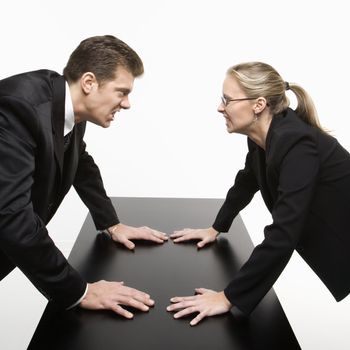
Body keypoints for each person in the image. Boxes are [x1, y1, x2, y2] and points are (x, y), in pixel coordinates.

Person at [167, 61, 350, 325]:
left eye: (227, 100)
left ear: (258, 105)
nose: (220, 107)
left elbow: (285, 232)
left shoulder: (296, 143)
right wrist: (216, 227)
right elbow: (247, 180)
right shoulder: (265, 136)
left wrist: (228, 297)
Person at [0, 35, 168, 319]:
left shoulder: (65, 105)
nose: (127, 104)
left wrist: (111, 223)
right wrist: (80, 291)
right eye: (122, 91)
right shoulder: (18, 108)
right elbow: (11, 215)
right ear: (89, 83)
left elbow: (80, 163)